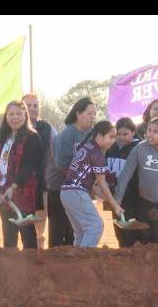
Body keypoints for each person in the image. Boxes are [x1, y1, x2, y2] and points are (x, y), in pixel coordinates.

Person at [0, 101, 43, 249]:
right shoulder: (4, 136)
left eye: (18, 113)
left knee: (27, 236)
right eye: (11, 114)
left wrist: (13, 187)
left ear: (25, 115)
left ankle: (31, 267)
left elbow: (29, 166)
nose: (15, 117)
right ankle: (10, 269)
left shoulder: (32, 137)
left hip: (23, 192)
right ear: (6, 117)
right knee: (9, 235)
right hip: (4, 193)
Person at [60, 120, 122, 248]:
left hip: (66, 192)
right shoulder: (97, 152)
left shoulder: (86, 147)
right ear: (99, 136)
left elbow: (90, 183)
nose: (113, 140)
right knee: (95, 225)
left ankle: (76, 261)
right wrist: (114, 204)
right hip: (76, 192)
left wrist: (103, 196)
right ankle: (83, 262)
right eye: (111, 137)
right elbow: (102, 182)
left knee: (81, 232)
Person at [46, 97, 96, 247]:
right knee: (58, 229)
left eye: (94, 113)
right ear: (78, 114)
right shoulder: (67, 134)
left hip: (78, 187)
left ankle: (73, 264)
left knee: (75, 228)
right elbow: (62, 164)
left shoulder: (92, 134)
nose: (92, 116)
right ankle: (55, 264)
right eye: (89, 113)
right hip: (58, 186)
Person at [114, 118, 158, 244]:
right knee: (145, 237)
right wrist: (117, 200)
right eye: (149, 130)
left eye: (155, 131)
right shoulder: (140, 148)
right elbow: (125, 175)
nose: (150, 134)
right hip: (145, 203)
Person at [22, 93, 57, 248]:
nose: (32, 109)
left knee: (40, 221)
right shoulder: (14, 126)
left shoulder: (47, 128)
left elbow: (56, 153)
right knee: (23, 222)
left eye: (35, 105)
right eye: (28, 105)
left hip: (42, 183)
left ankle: (40, 251)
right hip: (20, 184)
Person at [105, 117, 141, 247]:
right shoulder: (111, 147)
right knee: (118, 227)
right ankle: (122, 255)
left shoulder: (139, 148)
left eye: (125, 134)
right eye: (118, 134)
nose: (121, 137)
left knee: (131, 231)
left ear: (133, 132)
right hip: (114, 195)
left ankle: (132, 257)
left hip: (132, 196)